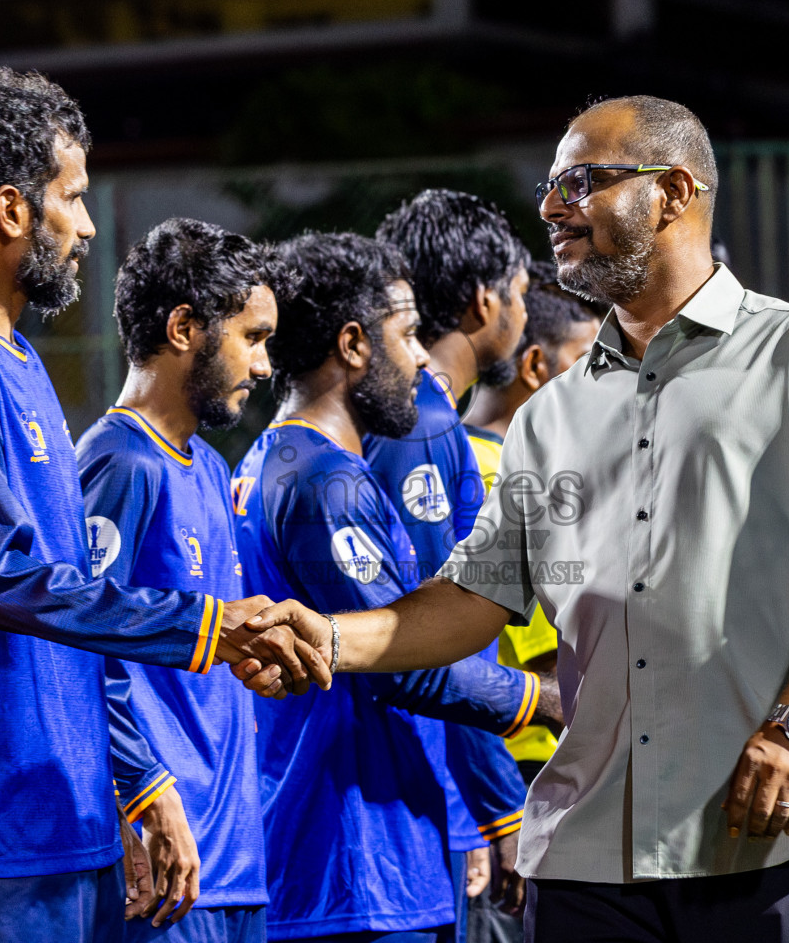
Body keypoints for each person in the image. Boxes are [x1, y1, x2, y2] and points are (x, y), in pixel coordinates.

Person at [245, 94, 789, 942]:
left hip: (770, 835)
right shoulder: (549, 415)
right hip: (590, 856)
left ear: (673, 193)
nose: (554, 209)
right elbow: (472, 601)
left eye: (583, 183)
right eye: (550, 189)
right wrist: (328, 638)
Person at [0, 67, 318, 943]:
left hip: (69, 816)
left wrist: (135, 780)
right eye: (72, 198)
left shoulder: (21, 363)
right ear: (10, 210)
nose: (85, 226)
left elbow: (77, 599)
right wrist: (207, 627)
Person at [230, 232, 539, 943]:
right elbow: (399, 660)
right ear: (354, 345)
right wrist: (546, 700)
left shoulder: (281, 460)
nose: (423, 357)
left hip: (353, 845)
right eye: (405, 335)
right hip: (355, 852)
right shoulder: (323, 480)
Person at [76, 218, 282, 942]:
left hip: (234, 860)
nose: (263, 366)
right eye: (252, 337)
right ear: (185, 327)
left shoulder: (211, 466)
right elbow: (80, 643)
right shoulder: (120, 462)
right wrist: (141, 791)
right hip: (170, 868)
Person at [371, 189, 544, 935]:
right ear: (484, 303)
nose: (526, 313)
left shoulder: (400, 415)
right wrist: (498, 806)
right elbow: (431, 636)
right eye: (523, 295)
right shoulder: (419, 424)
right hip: (401, 798)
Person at [463, 281, 601, 785]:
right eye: (588, 360)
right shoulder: (505, 474)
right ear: (535, 365)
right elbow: (556, 657)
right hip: (525, 757)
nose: (603, 380)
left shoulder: (455, 455)